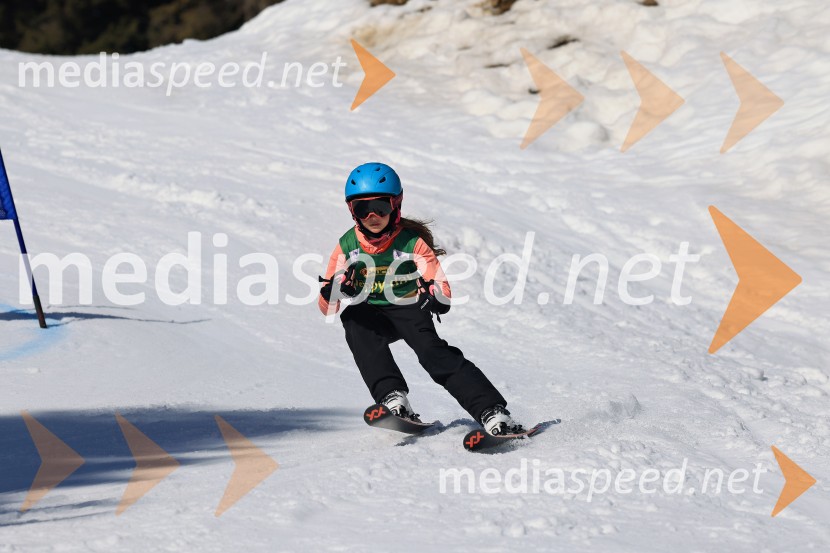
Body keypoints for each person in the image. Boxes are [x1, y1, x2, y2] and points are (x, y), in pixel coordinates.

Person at [318, 162, 524, 436]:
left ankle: (493, 413)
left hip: (409, 307)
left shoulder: (411, 242)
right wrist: (334, 289)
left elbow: (442, 289)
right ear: (351, 211)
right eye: (361, 208)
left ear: (396, 205)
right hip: (374, 313)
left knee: (432, 353)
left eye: (380, 206)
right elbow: (327, 308)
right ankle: (393, 399)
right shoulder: (347, 246)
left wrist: (433, 297)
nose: (372, 215)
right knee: (354, 320)